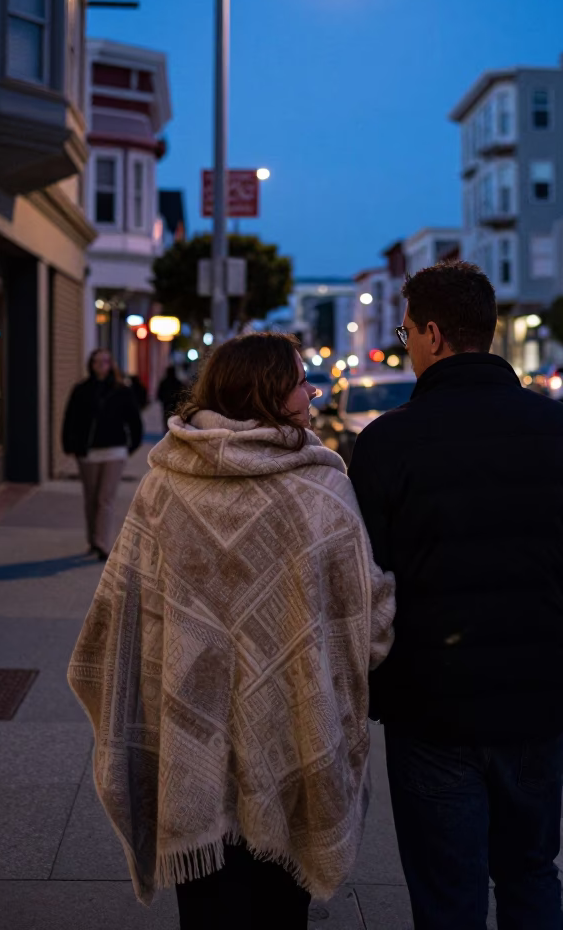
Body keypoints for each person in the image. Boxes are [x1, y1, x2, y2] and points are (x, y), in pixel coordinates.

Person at [68, 332, 395, 930]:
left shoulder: (165, 485)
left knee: (207, 908)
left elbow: (119, 610)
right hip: (292, 728)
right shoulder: (320, 488)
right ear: (268, 391)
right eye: (301, 380)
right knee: (279, 908)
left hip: (190, 730)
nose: (311, 391)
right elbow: (366, 622)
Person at [348, 262, 563, 930]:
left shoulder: (388, 444)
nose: (406, 343)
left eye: (406, 330)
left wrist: (381, 682)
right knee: (532, 874)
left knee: (449, 895)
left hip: (432, 713)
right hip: (538, 703)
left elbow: (359, 589)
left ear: (433, 334)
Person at [61, 349, 143, 559]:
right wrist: (69, 445)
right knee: (91, 498)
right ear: (91, 365)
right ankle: (93, 539)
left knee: (105, 498)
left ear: (111, 364)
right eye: (96, 362)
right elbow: (70, 419)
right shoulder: (81, 390)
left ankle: (103, 543)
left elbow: (134, 421)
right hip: (88, 452)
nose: (101, 365)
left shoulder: (122, 390)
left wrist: (130, 446)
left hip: (114, 452)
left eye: (105, 361)